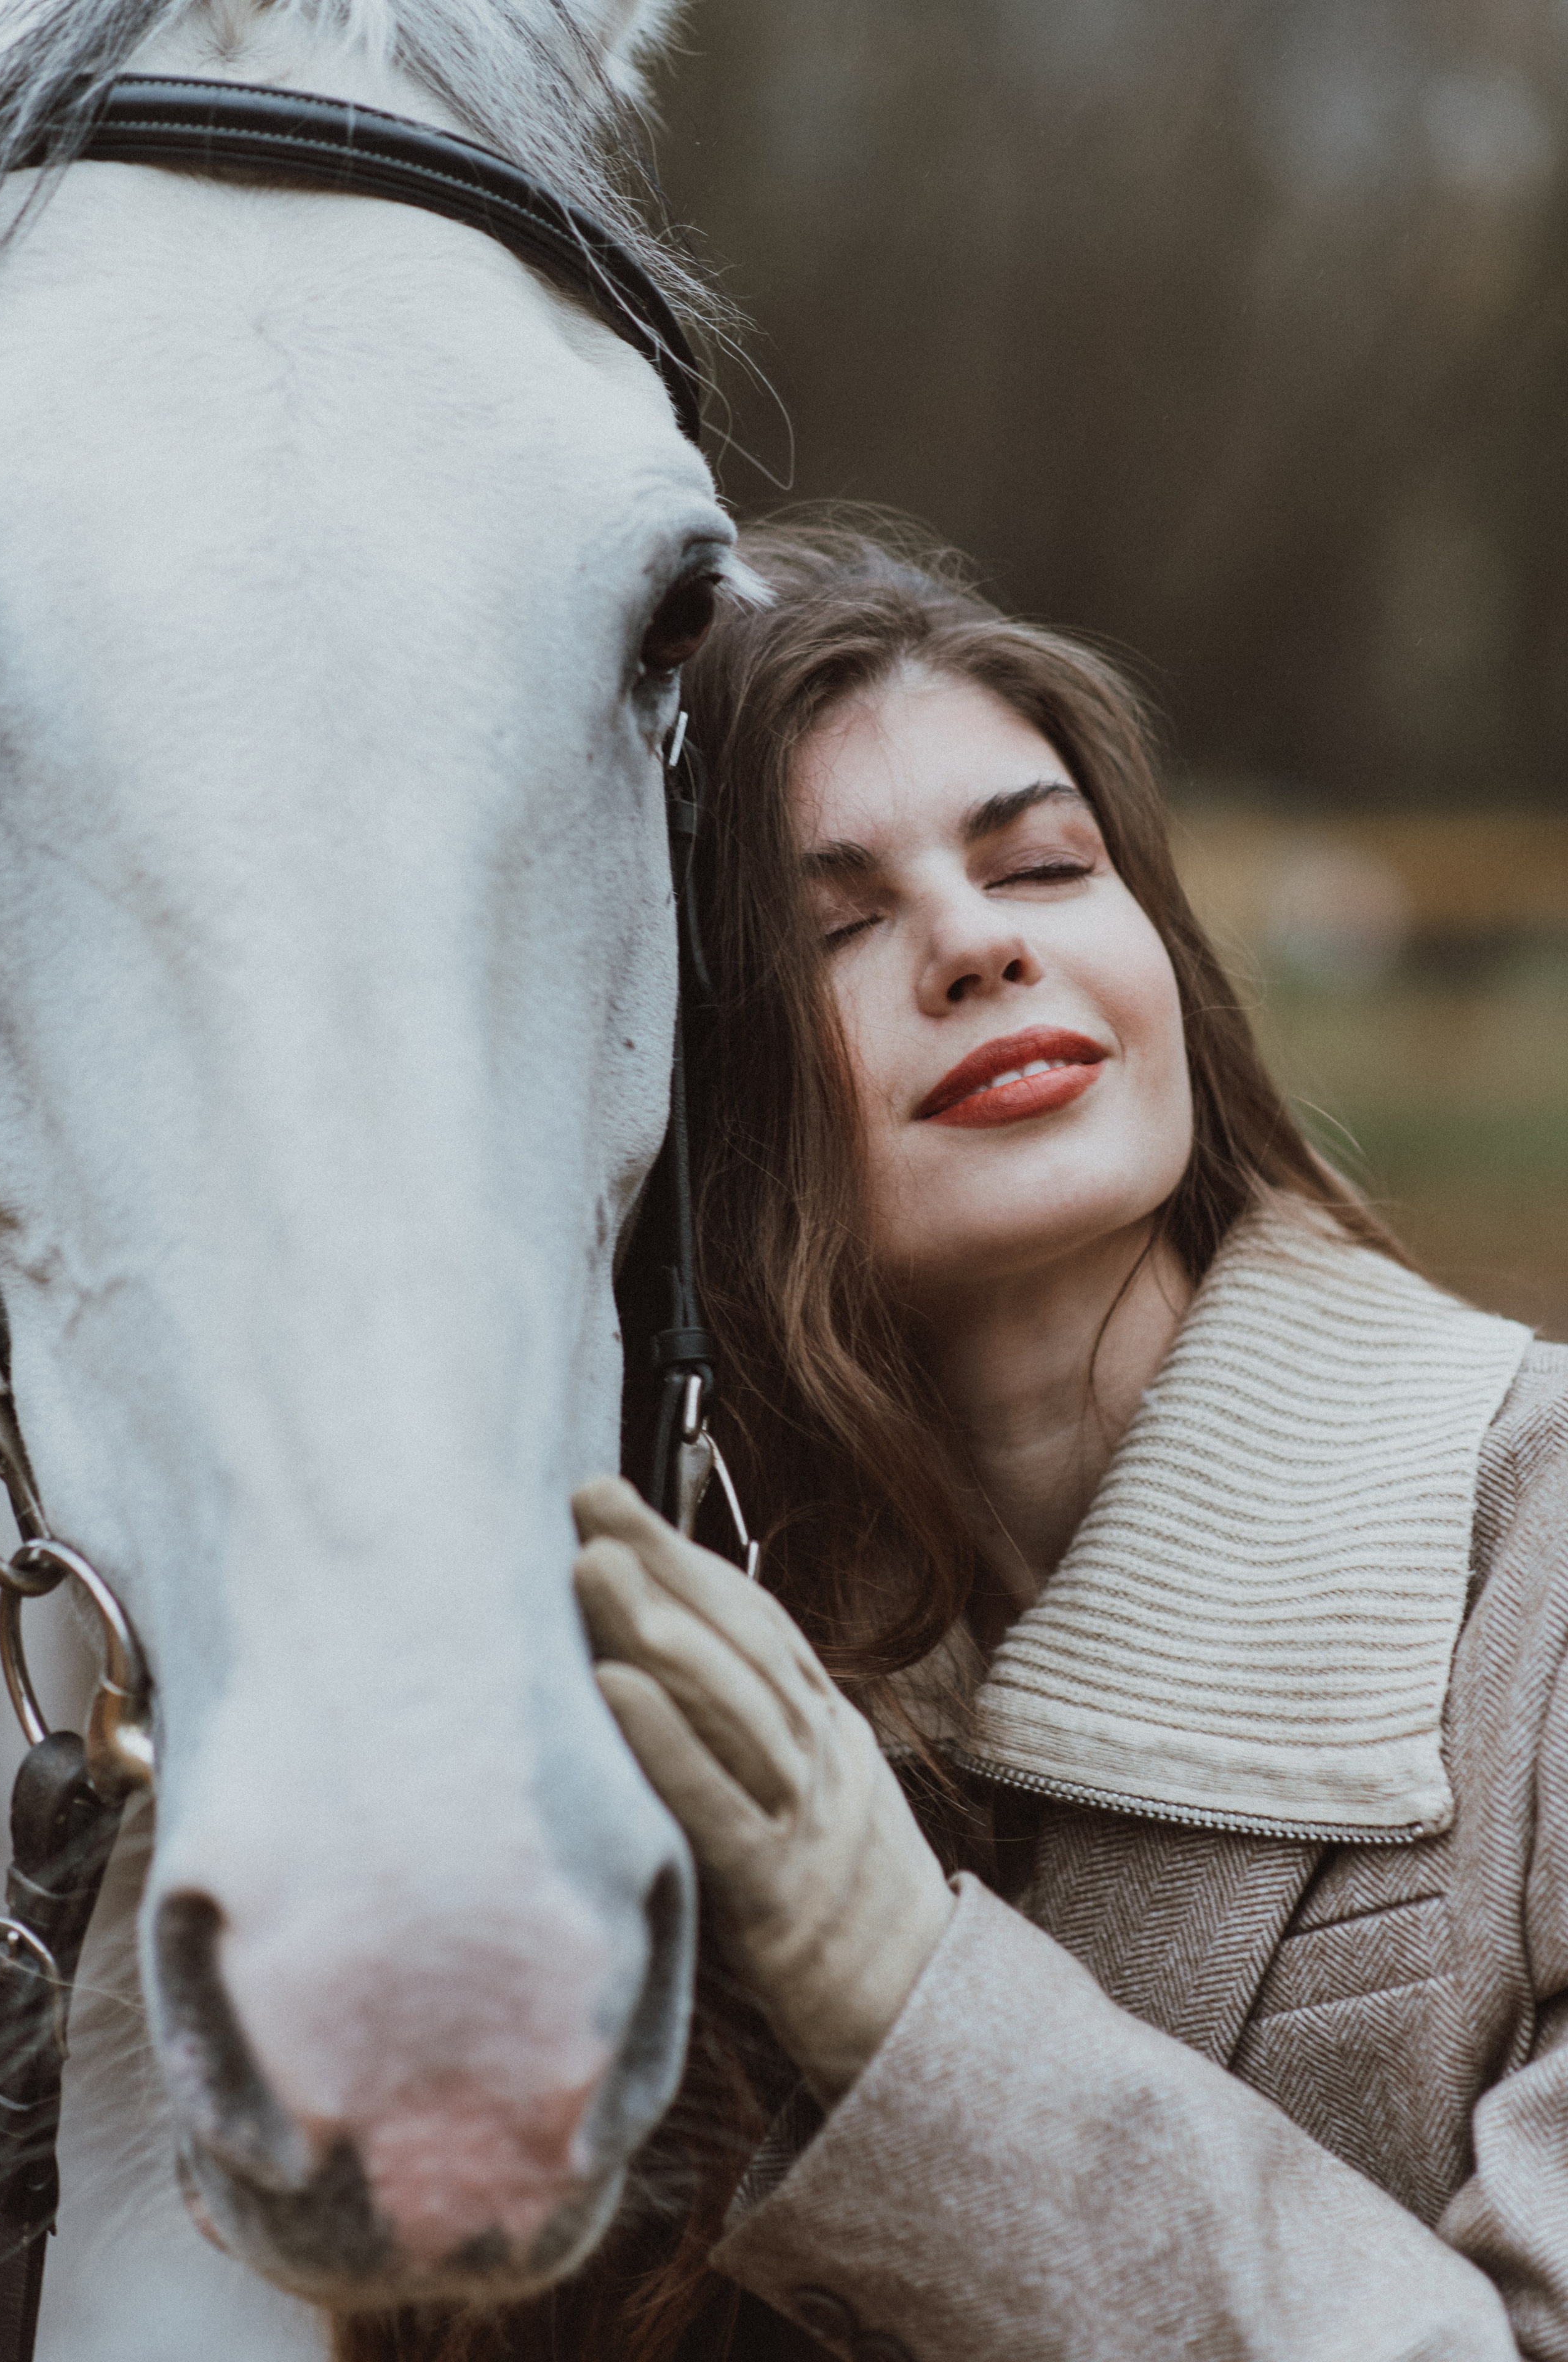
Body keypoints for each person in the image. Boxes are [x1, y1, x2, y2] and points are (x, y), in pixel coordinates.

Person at [570, 518, 1568, 2362]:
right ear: (695, 1097)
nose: (971, 945)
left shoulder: (1547, 1554)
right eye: (836, 924)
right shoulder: (650, 1694)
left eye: (1040, 864)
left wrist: (910, 2015)